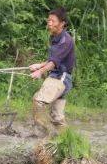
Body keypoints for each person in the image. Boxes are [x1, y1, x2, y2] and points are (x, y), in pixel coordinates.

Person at [29, 7, 75, 137]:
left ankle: (44, 136)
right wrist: (40, 65)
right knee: (57, 118)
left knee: (39, 101)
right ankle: (67, 141)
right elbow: (53, 59)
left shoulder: (65, 40)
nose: (49, 23)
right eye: (48, 20)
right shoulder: (55, 37)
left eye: (53, 21)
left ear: (62, 23)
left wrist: (40, 72)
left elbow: (54, 63)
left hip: (60, 78)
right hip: (57, 77)